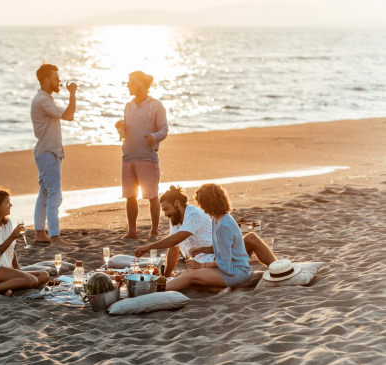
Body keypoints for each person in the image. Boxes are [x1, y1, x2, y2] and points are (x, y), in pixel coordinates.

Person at [134, 186, 278, 277]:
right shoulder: (176, 219)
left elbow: (176, 239)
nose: (165, 214)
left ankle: (279, 268)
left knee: (251, 237)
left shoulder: (194, 214)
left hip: (218, 258)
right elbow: (173, 248)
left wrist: (149, 247)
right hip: (202, 264)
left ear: (177, 204)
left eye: (166, 209)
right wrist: (166, 275)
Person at [164, 184, 252, 292]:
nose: (202, 209)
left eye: (202, 204)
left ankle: (156, 289)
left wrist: (202, 265)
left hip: (235, 272)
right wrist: (201, 250)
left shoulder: (223, 225)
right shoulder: (217, 219)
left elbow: (224, 262)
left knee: (189, 276)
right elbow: (220, 247)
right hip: (229, 269)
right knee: (181, 275)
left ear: (211, 203)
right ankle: (217, 289)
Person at [115, 71, 168, 241]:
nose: (128, 85)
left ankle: (154, 231)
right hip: (128, 155)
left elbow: (164, 130)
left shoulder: (156, 105)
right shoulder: (128, 106)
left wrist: (153, 137)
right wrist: (121, 126)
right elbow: (127, 130)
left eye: (131, 82)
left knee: (152, 195)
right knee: (130, 196)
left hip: (147, 156)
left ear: (141, 84)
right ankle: (132, 230)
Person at [30, 64, 77, 247]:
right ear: (45, 79)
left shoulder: (44, 99)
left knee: (45, 193)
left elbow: (66, 115)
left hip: (48, 151)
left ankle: (40, 233)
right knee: (55, 194)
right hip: (47, 152)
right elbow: (68, 116)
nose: (58, 81)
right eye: (56, 77)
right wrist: (72, 94)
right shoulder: (43, 100)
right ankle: (55, 237)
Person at [0, 187, 50, 298]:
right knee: (32, 280)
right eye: (7, 202)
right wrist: (12, 237)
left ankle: (6, 286)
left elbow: (11, 250)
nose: (11, 205)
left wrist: (18, 270)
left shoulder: (7, 223)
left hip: (4, 268)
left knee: (44, 275)